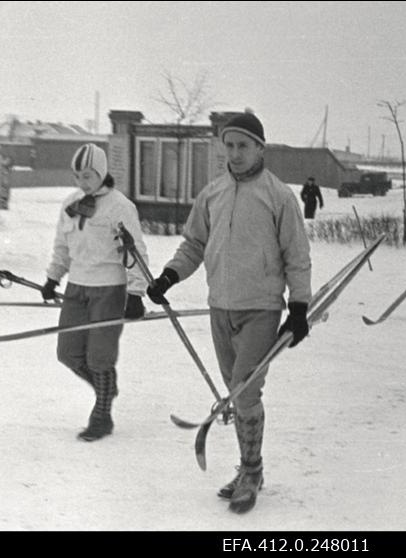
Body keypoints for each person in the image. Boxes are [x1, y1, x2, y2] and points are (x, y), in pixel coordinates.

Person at [146, 110, 312, 514]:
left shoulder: (279, 196)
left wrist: (300, 306)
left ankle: (251, 472)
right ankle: (248, 467)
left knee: (245, 389)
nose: (234, 154)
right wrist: (168, 277)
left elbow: (297, 256)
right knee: (237, 394)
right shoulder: (213, 193)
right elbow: (193, 245)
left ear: (259, 148)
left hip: (261, 308)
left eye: (243, 146)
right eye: (229, 146)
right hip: (219, 307)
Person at [42, 143, 149, 442]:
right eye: (77, 176)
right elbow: (62, 247)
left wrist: (136, 293)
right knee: (68, 353)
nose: (82, 182)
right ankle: (106, 389)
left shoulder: (120, 206)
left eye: (88, 175)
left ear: (101, 173)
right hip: (77, 286)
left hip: (109, 289)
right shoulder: (71, 203)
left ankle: (102, 416)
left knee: (100, 356)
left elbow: (136, 252)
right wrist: (52, 279)